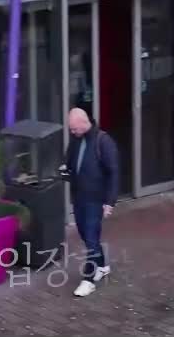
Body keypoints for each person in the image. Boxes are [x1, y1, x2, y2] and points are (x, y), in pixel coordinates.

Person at [64, 108, 120, 297]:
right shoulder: (76, 140)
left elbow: (114, 172)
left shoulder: (103, 141)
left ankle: (88, 280)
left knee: (90, 237)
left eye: (74, 128)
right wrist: (65, 170)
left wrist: (109, 201)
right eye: (71, 129)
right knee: (86, 235)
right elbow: (69, 162)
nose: (72, 132)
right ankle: (102, 266)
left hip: (96, 199)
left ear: (83, 122)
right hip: (79, 197)